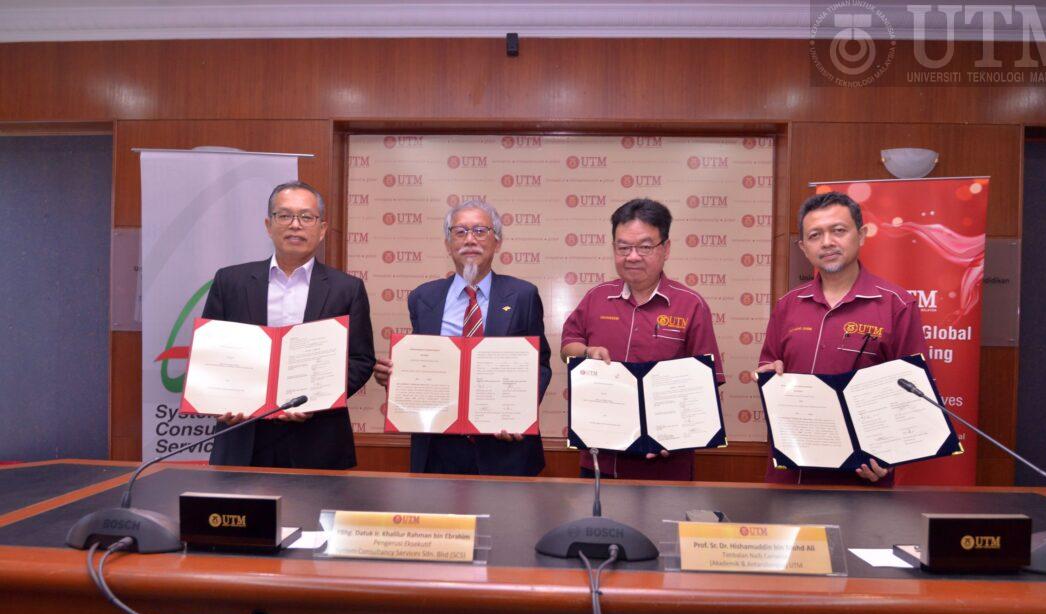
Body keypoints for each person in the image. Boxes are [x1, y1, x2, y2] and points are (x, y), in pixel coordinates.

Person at [757, 191, 928, 486]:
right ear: (803, 247)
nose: (827, 242)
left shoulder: (896, 304)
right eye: (815, 235)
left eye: (838, 231)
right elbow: (769, 364)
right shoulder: (788, 305)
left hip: (862, 474)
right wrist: (770, 375)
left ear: (860, 235)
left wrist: (889, 457)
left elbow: (913, 392)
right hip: (792, 474)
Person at [202, 180, 375, 469]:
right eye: (285, 216)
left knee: (309, 515)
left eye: (306, 217)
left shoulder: (348, 288)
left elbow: (360, 360)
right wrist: (220, 399)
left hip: (318, 439)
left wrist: (317, 400)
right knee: (240, 514)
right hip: (243, 436)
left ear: (321, 230)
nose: (295, 225)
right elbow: (210, 355)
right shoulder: (230, 281)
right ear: (269, 225)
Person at [373, 200, 552, 476]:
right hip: (438, 447)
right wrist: (393, 375)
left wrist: (518, 414)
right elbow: (422, 365)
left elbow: (540, 364)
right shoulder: (423, 298)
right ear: (448, 243)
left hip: (503, 446)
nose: (470, 239)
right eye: (460, 232)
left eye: (480, 231)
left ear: (497, 241)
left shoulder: (523, 295)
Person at [561, 198, 724, 481]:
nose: (632, 256)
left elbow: (707, 384)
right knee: (598, 526)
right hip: (600, 460)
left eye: (645, 247)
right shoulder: (596, 298)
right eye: (623, 247)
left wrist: (679, 435)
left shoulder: (691, 305)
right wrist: (587, 352)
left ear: (666, 248)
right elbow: (567, 348)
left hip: (665, 464)